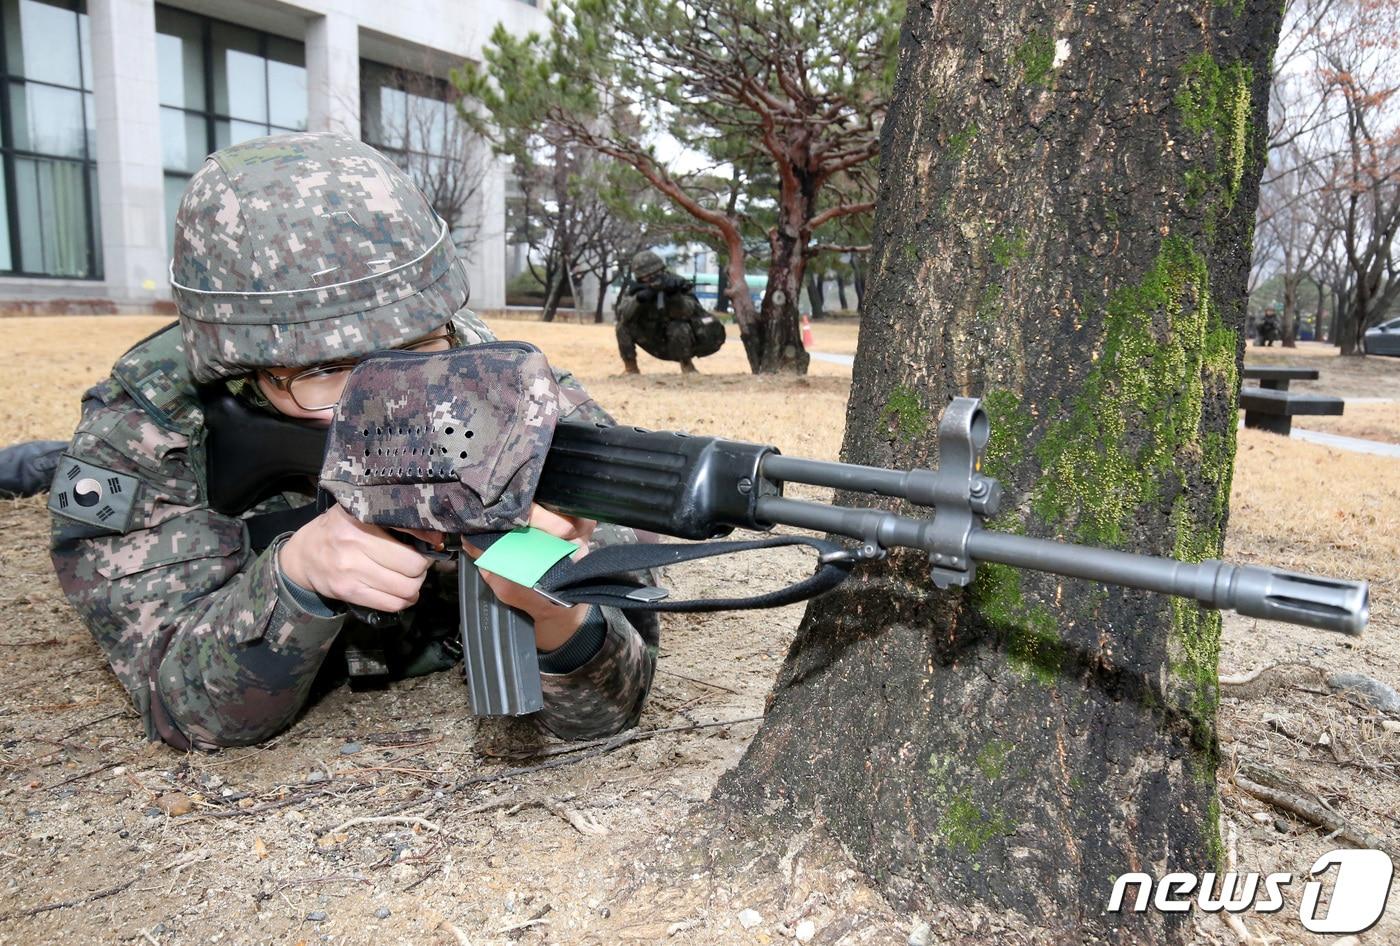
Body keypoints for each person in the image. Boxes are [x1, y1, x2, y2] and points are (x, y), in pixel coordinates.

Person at [48, 133, 657, 751]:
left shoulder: (498, 379)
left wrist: (558, 615)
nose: (385, 396)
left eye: (412, 353)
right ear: (241, 372)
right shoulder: (150, 429)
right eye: (326, 373)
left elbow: (615, 688)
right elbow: (185, 707)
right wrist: (293, 577)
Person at [614, 251, 725, 374]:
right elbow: (624, 313)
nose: (652, 279)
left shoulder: (676, 283)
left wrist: (674, 296)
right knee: (622, 326)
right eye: (647, 276)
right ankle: (630, 368)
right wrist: (640, 298)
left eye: (656, 274)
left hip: (681, 342)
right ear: (639, 278)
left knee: (678, 326)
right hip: (654, 340)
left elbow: (689, 311)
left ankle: (687, 366)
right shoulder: (636, 291)